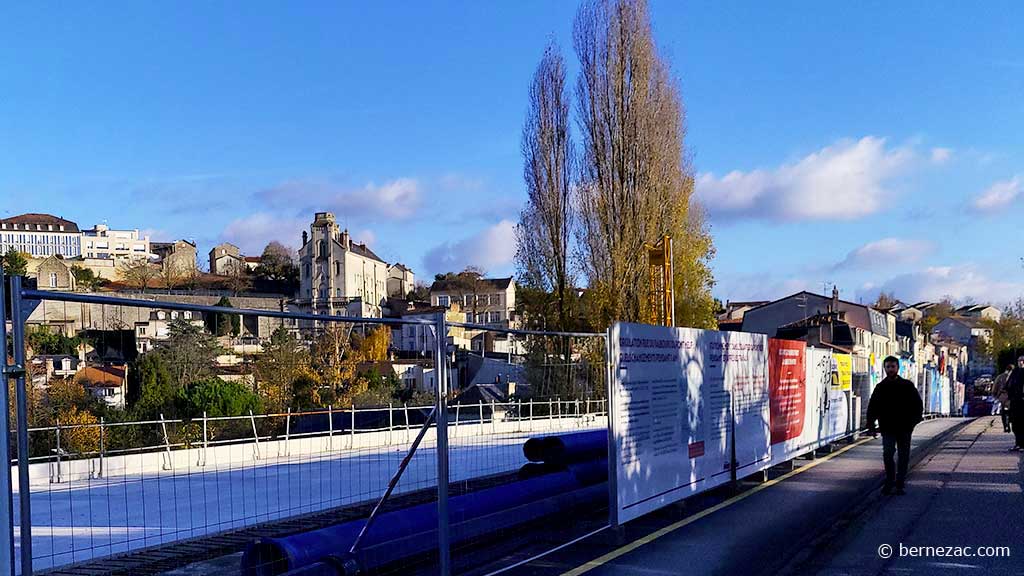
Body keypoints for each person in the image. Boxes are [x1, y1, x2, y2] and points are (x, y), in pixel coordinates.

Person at [866, 356, 924, 495]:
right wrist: (871, 426)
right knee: (887, 454)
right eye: (888, 367)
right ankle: (890, 480)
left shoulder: (907, 386)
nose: (890, 369)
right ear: (884, 368)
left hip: (904, 428)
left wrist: (912, 423)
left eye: (893, 366)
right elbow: (873, 407)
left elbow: (918, 406)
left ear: (898, 368)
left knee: (904, 456)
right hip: (887, 428)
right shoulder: (880, 387)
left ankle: (900, 483)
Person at [1006, 355, 1024, 451]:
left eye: (1023, 361)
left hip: (1022, 401)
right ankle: (1018, 443)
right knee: (1015, 423)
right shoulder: (1015, 372)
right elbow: (1008, 385)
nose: (1021, 363)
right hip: (1015, 401)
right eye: (1019, 361)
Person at [991, 364, 1013, 433]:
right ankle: (1009, 424)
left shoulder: (1000, 377)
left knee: (1004, 412)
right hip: (1011, 397)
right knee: (1011, 412)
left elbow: (995, 386)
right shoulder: (1014, 377)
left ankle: (1005, 426)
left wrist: (995, 395)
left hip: (1002, 397)